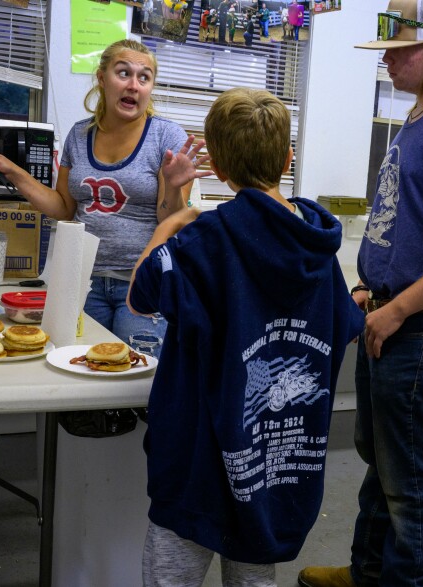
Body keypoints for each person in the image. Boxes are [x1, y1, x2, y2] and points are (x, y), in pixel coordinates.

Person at [298, 0, 423, 586]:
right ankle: (370, 574)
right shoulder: (419, 118)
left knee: (410, 478)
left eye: (398, 48)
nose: (386, 59)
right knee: (383, 460)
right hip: (394, 314)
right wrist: (370, 286)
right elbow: (404, 222)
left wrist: (399, 309)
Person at [128, 87, 364, 586]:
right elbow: (345, 323)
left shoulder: (203, 238)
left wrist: (170, 225)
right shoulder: (319, 250)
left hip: (195, 465)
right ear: (287, 157)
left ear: (216, 166)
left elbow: (139, 295)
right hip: (272, 465)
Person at [0, 39, 197, 360]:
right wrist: (13, 173)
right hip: (83, 281)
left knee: (135, 377)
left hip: (142, 283)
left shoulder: (166, 137)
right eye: (123, 73)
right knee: (77, 366)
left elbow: (170, 221)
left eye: (144, 77)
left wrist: (172, 187)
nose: (133, 85)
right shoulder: (79, 135)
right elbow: (64, 208)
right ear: (102, 78)